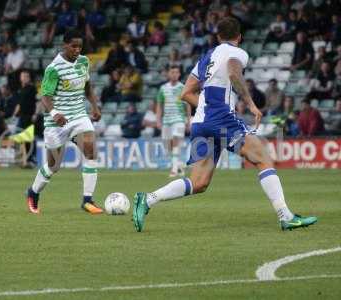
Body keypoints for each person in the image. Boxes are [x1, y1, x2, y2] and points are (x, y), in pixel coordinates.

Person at [132, 17, 317, 232]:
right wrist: (250, 104)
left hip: (201, 123)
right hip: (221, 119)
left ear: (218, 37)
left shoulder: (206, 58)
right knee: (263, 157)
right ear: (239, 36)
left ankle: (148, 199)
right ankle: (285, 216)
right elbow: (233, 72)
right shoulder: (237, 53)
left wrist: (205, 108)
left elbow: (185, 93)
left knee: (199, 183)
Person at [26, 30, 103, 215]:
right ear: (64, 45)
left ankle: (87, 200)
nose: (77, 50)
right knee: (54, 166)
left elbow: (87, 87)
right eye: (73, 46)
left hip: (78, 116)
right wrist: (54, 113)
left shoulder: (84, 61)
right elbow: (45, 96)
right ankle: (33, 192)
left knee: (91, 150)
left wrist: (94, 106)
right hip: (57, 123)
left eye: (80, 46)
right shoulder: (54, 68)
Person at [156, 65, 190, 177]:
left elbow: (188, 104)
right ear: (168, 74)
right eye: (172, 72)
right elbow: (160, 105)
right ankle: (179, 165)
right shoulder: (163, 88)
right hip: (166, 120)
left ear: (179, 74)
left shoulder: (183, 87)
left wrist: (188, 120)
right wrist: (158, 120)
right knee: (168, 145)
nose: (174, 74)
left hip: (179, 119)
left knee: (176, 141)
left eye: (176, 72)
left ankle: (174, 170)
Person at [13, 70, 38, 167]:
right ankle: (24, 159)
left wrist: (35, 114)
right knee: (20, 138)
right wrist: (14, 116)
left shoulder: (32, 88)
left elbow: (38, 102)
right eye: (23, 76)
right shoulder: (20, 90)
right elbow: (19, 104)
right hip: (21, 117)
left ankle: (31, 159)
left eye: (26, 76)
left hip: (29, 116)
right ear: (20, 78)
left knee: (29, 138)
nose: (25, 78)